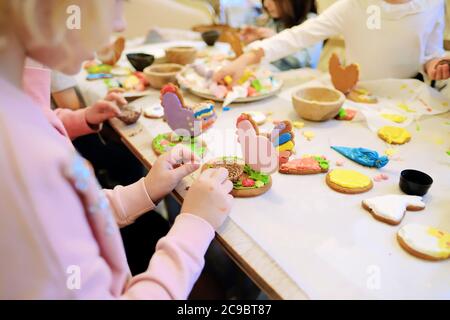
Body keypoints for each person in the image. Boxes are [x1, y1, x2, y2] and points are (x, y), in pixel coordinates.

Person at [0, 0, 233, 299]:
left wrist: (145, 190)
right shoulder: (23, 162)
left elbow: (78, 216)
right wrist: (194, 226)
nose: (120, 24)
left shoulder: (20, 103)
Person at [214, 0, 450, 84]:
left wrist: (434, 65)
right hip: (358, 96)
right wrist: (246, 59)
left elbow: (430, 53)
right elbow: (298, 36)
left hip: (407, 96)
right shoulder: (354, 6)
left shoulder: (433, 4)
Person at [241, 0, 322, 70]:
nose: (266, 4)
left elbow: (305, 62)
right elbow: (267, 55)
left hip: (298, 81)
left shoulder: (311, 21)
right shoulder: (277, 20)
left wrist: (276, 39)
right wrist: (255, 39)